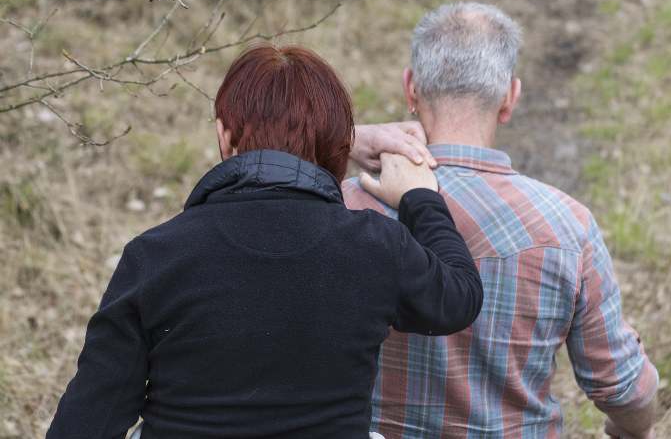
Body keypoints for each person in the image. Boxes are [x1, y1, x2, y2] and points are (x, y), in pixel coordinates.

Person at [46, 45, 484, 439]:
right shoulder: (374, 246)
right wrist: (419, 198)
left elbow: (86, 423)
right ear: (339, 147)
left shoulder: (156, 256)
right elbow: (459, 297)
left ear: (223, 134)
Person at [344, 2, 659, 439]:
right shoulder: (568, 227)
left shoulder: (344, 207)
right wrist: (630, 430)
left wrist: (346, 138)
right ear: (510, 98)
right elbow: (624, 388)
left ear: (411, 89)